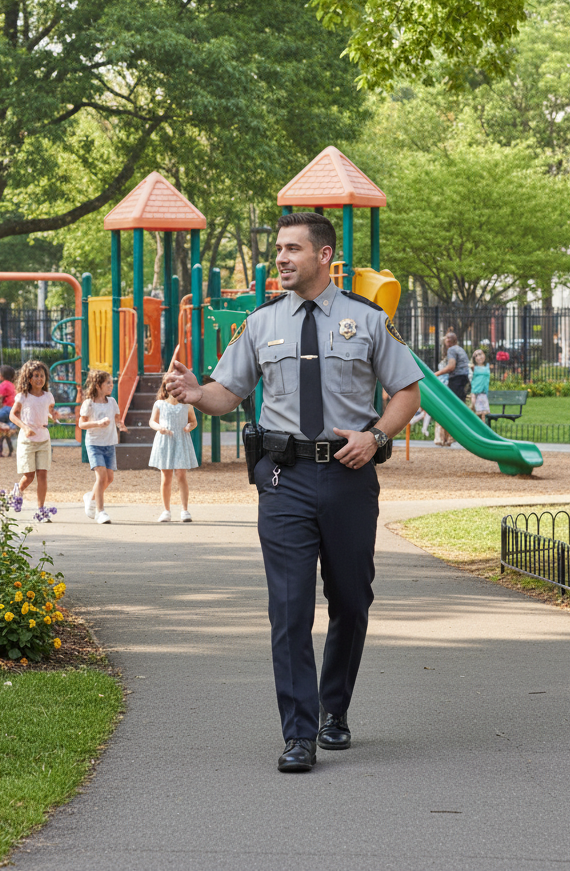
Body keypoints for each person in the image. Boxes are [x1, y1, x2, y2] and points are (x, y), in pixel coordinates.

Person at [165, 212, 420, 774]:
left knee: (351, 602)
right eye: (278, 248)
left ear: (324, 256)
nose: (280, 258)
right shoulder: (260, 323)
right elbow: (226, 394)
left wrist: (376, 435)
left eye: (293, 249)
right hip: (284, 480)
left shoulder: (367, 320)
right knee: (289, 608)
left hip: (350, 477)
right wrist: (191, 392)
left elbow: (408, 391)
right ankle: (299, 733)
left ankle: (335, 710)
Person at [9, 359, 58, 518]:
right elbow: (12, 415)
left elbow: (48, 411)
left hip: (44, 438)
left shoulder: (48, 396)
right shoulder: (22, 396)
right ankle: (19, 490)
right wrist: (25, 427)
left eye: (42, 375)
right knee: (29, 476)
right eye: (35, 375)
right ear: (28, 378)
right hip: (27, 440)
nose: (39, 379)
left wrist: (53, 416)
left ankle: (41, 510)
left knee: (42, 474)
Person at [78, 370, 127, 525]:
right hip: (94, 444)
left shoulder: (112, 402)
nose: (111, 385)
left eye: (111, 383)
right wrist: (97, 423)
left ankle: (90, 497)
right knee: (101, 477)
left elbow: (117, 418)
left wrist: (121, 425)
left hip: (109, 443)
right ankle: (101, 512)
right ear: (98, 385)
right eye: (108, 383)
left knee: (110, 478)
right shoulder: (89, 403)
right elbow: (81, 424)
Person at [148, 380, 198, 523]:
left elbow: (193, 421)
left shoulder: (186, 405)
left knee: (181, 474)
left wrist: (190, 426)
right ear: (165, 388)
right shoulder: (159, 404)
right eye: (170, 387)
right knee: (166, 475)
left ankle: (185, 510)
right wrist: (159, 428)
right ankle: (166, 511)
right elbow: (152, 421)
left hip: (181, 440)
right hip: (165, 440)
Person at [470, 349, 491, 423]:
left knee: (484, 414)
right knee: (478, 413)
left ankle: (483, 431)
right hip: (476, 393)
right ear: (474, 359)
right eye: (476, 355)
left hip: (484, 394)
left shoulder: (487, 366)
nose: (479, 357)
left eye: (480, 354)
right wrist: (473, 395)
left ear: (484, 355)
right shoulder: (473, 367)